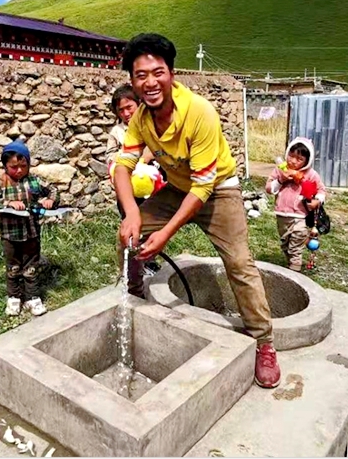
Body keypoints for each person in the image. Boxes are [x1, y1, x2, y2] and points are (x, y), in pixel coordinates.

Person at [113, 32, 281, 388]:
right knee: (126, 235)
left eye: (157, 72)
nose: (150, 82)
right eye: (141, 75)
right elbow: (122, 167)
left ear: (172, 74)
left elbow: (203, 187)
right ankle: (133, 293)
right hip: (178, 188)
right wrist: (132, 214)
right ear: (133, 81)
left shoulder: (199, 112)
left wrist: (165, 234)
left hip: (218, 190)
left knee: (239, 262)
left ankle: (263, 342)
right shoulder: (140, 119)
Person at [0, 141, 58, 317]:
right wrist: (8, 203)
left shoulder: (34, 181)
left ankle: (32, 297)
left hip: (31, 233)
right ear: (5, 166)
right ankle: (14, 297)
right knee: (13, 267)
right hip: (10, 235)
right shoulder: (1, 182)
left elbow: (53, 191)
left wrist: (50, 201)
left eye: (23, 166)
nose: (19, 170)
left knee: (31, 267)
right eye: (13, 167)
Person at [106, 84, 161, 276]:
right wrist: (127, 159)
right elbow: (110, 158)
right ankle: (130, 269)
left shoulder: (152, 126)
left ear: (139, 104)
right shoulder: (117, 133)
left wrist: (149, 156)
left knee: (153, 224)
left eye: (129, 107)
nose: (126, 113)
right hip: (128, 189)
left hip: (151, 187)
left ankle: (149, 261)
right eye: (121, 110)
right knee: (130, 226)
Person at [265, 138, 326, 272]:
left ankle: (295, 269)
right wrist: (281, 180)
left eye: (299, 159)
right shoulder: (280, 170)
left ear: (307, 161)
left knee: (296, 246)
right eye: (291, 156)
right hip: (282, 215)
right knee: (286, 244)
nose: (293, 161)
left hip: (300, 216)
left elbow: (321, 190)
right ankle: (291, 263)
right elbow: (269, 188)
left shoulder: (311, 174)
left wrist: (317, 200)